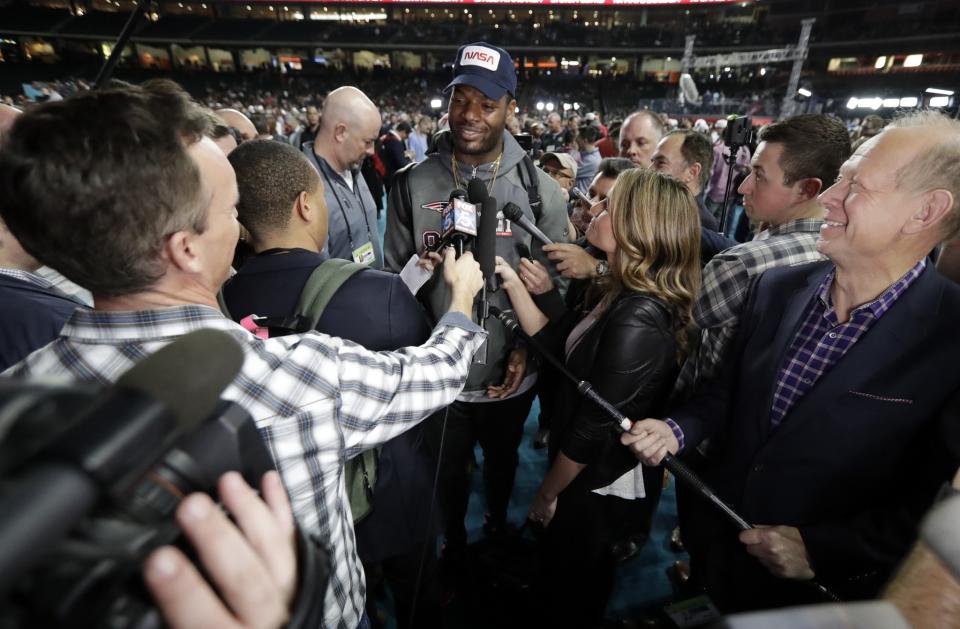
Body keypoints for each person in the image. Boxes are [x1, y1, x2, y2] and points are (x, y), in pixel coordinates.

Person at [0, 79, 486, 629]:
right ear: (185, 248)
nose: (242, 227)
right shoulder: (297, 379)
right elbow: (437, 371)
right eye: (233, 211)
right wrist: (462, 302)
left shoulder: (18, 396)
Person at [623, 110, 960, 612]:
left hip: (819, 598)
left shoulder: (951, 340)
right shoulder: (777, 289)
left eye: (855, 187)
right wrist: (679, 427)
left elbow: (935, 509)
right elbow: (731, 393)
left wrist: (823, 550)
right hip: (721, 542)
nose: (826, 199)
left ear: (924, 211)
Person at [222, 139, 440, 628]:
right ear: (305, 205)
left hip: (291, 521)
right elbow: (428, 379)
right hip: (388, 495)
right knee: (417, 594)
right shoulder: (380, 292)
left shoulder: (217, 301)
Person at [383, 42, 569, 582]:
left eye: (485, 104)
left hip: (510, 374)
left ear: (511, 106)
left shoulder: (539, 190)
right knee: (446, 470)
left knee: (504, 460)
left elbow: (554, 287)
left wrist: (523, 349)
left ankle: (495, 527)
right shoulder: (412, 183)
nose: (469, 115)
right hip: (437, 372)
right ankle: (455, 541)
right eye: (460, 99)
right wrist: (421, 274)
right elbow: (395, 284)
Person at [497, 168, 701, 627]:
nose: (594, 209)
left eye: (609, 207)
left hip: (591, 478)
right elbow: (562, 346)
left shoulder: (639, 317)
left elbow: (592, 427)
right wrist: (512, 283)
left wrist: (547, 493)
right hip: (580, 467)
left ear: (637, 227)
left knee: (574, 582)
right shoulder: (619, 289)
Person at [675, 114, 849, 398]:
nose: (743, 187)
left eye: (759, 176)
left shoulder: (742, 263)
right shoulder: (844, 255)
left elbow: (668, 324)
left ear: (807, 189)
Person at [303, 86, 384, 268]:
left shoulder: (354, 165)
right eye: (368, 142)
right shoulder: (304, 185)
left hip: (374, 288)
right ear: (340, 132)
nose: (371, 151)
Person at [651, 129, 738, 265]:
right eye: (652, 161)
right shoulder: (659, 208)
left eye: (660, 163)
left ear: (692, 172)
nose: (649, 169)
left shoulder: (702, 225)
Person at [379, 121, 412, 191]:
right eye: (407, 135)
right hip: (393, 178)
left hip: (387, 175)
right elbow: (401, 163)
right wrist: (409, 158)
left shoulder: (388, 136)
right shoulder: (395, 142)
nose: (406, 138)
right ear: (403, 131)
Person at [574, 124, 602, 195]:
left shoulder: (592, 160)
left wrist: (574, 150)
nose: (576, 141)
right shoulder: (586, 155)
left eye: (578, 139)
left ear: (584, 141)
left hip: (583, 199)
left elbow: (570, 172)